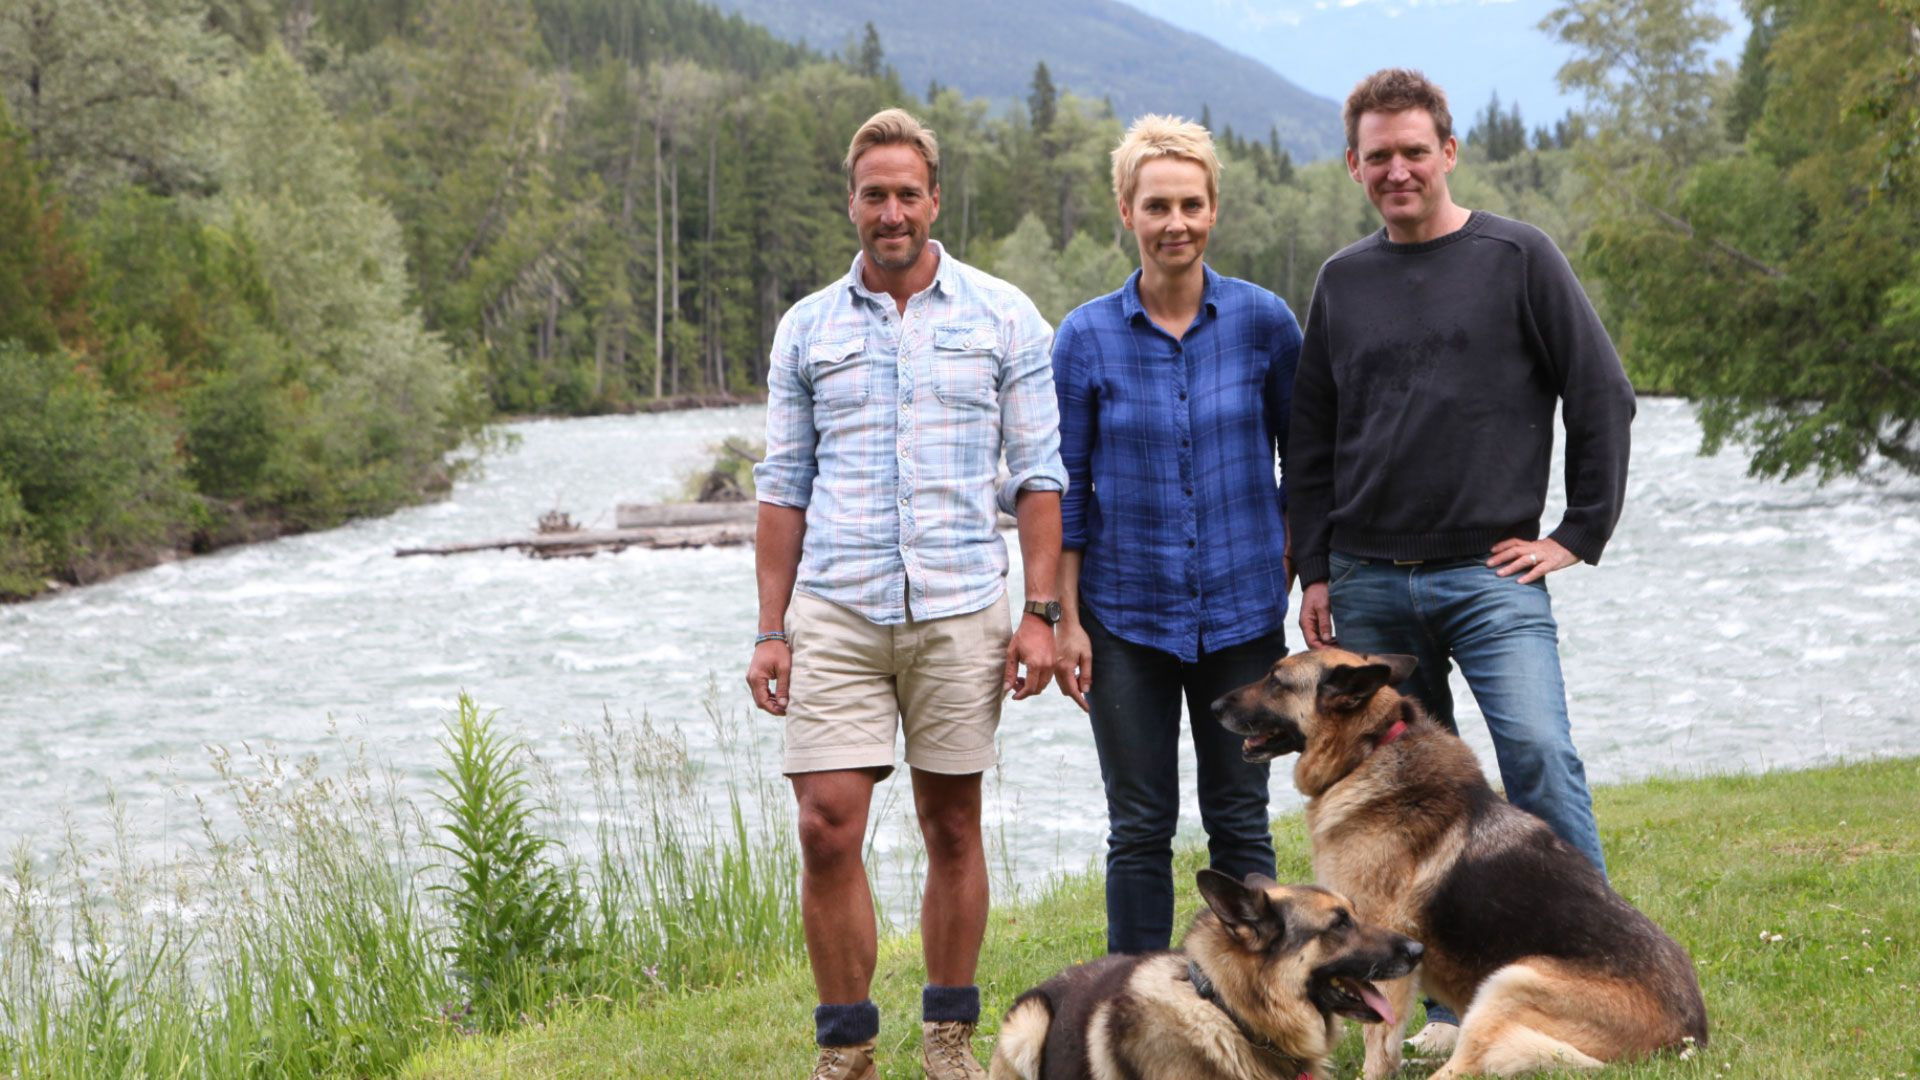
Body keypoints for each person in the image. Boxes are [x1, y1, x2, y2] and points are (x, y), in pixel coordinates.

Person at [1287, 68, 1636, 1053]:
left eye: (1414, 151)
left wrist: (1578, 532)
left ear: (1448, 151)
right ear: (1355, 165)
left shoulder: (1518, 257)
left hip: (1489, 576)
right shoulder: (1343, 281)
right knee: (1400, 803)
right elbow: (1309, 440)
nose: (1397, 170)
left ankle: (1603, 970)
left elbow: (1601, 392)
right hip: (1365, 576)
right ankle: (1442, 1005)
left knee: (1536, 755)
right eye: (1377, 155)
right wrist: (1314, 568)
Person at [746, 107, 1066, 1080]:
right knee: (826, 823)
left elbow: (1040, 477)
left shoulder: (1005, 317)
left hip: (964, 604)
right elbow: (781, 485)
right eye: (873, 194)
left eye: (907, 194)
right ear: (852, 203)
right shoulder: (806, 329)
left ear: (935, 199)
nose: (892, 212)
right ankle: (846, 1049)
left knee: (952, 825)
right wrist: (769, 629)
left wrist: (1042, 614)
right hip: (836, 611)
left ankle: (948, 1041)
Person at [1050, 115, 1301, 955]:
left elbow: (1304, 460)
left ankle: (1263, 1004)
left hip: (1241, 614)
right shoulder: (1084, 338)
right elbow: (1066, 490)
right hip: (1126, 620)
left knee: (1240, 819)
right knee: (1140, 827)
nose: (1176, 223)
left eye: (1191, 204)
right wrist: (1064, 619)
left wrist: (1300, 560)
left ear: (1214, 209)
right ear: (1127, 211)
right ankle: (1136, 1004)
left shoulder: (1266, 325)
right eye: (1157, 205)